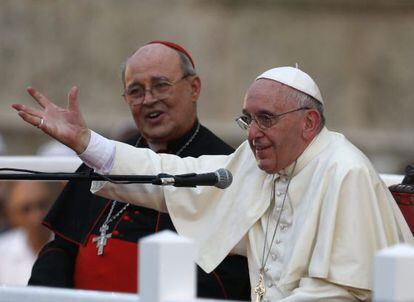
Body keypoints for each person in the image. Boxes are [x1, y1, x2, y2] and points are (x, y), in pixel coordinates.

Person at [13, 65, 414, 301]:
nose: (253, 132)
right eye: (248, 119)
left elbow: (343, 293)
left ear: (309, 123)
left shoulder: (345, 173)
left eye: (266, 119)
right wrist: (87, 144)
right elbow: (171, 178)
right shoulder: (260, 162)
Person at [26, 41, 251, 299]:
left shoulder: (222, 168)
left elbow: (228, 275)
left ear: (194, 88)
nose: (148, 99)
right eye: (135, 91)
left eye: (161, 85)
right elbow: (61, 249)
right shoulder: (105, 158)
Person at [0, 181, 58, 285]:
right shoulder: (2, 252)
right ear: (11, 214)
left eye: (42, 205)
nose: (36, 216)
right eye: (26, 209)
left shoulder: (72, 248)